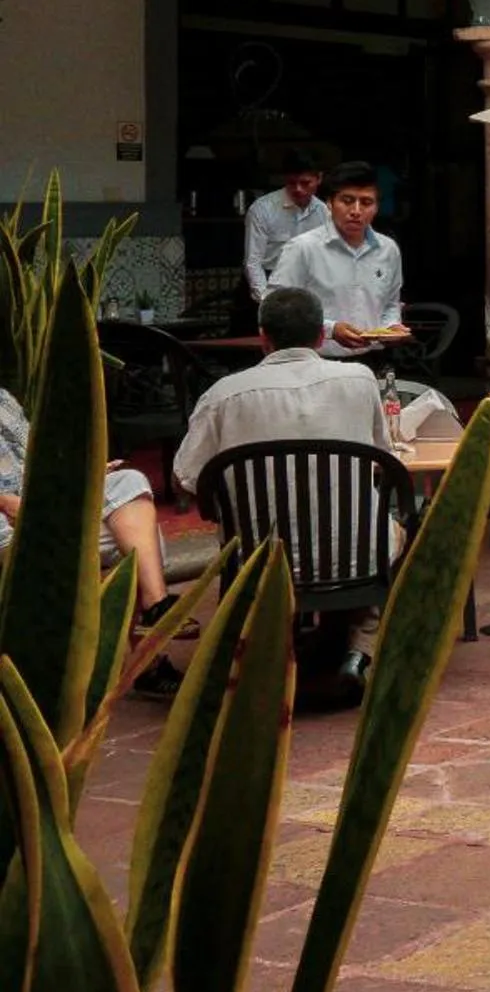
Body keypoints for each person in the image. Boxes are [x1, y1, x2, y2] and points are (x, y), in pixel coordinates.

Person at [171, 286, 400, 694]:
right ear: (321, 336)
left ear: (263, 337)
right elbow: (380, 457)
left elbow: (185, 479)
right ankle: (359, 648)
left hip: (260, 560)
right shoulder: (360, 380)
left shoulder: (224, 395)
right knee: (388, 528)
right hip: (354, 557)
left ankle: (290, 646)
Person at [2, 389, 181, 695]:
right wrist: (6, 501)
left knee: (130, 488)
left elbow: (40, 456)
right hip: (9, 524)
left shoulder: (3, 399)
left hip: (44, 505)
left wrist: (82, 473)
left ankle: (156, 603)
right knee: (137, 539)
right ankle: (146, 663)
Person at [270, 161, 402, 356]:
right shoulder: (303, 248)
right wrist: (330, 330)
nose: (356, 211)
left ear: (376, 207)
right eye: (347, 201)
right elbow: (276, 306)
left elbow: (391, 303)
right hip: (318, 359)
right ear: (329, 203)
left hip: (374, 358)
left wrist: (391, 326)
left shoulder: (388, 249)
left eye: (366, 203)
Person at [242, 151, 328, 302]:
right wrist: (266, 300)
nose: (298, 189)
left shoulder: (324, 212)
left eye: (305, 183)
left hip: (308, 285)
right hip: (269, 280)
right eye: (292, 183)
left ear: (319, 178)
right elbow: (253, 262)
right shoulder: (262, 209)